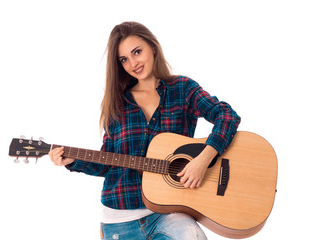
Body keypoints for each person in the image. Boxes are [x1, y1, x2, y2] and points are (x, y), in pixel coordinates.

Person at [49, 21, 241, 240]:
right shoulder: (117, 103)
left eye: (137, 52)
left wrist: (204, 159)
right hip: (119, 221)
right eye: (124, 59)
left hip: (170, 213)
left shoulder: (182, 89)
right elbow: (108, 163)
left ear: (153, 47)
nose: (133, 63)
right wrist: (72, 161)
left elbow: (226, 115)